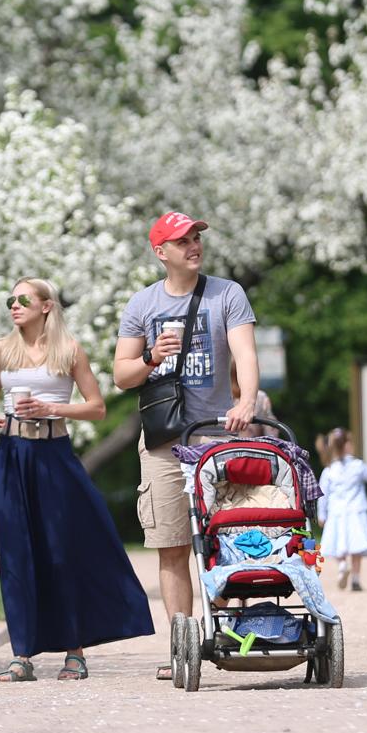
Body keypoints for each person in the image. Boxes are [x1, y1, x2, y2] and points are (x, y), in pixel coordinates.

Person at [0, 277, 154, 681]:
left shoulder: (70, 351)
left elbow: (97, 408)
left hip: (53, 455)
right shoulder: (1, 350)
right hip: (11, 455)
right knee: (16, 553)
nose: (14, 306)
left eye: (23, 299)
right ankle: (21, 655)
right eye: (11, 300)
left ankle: (75, 652)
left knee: (61, 550)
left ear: (46, 306)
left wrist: (51, 408)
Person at [113, 211, 259, 682]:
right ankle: (182, 643)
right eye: (183, 241)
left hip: (216, 434)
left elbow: (245, 353)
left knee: (227, 538)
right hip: (162, 441)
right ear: (161, 253)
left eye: (196, 238)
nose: (194, 246)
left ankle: (227, 631)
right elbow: (121, 375)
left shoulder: (227, 294)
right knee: (172, 545)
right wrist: (153, 356)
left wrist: (248, 401)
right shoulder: (143, 304)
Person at [315, 428, 367, 591]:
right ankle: (356, 580)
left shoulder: (329, 470)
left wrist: (322, 514)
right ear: (348, 445)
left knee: (338, 544)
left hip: (336, 513)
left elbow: (323, 494)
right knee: (356, 548)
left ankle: (342, 564)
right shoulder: (358, 466)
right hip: (356, 512)